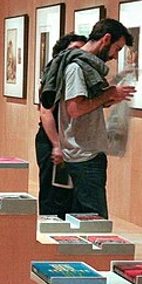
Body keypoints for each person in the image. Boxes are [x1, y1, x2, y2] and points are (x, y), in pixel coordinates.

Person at [39, 19, 136, 218]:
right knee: (94, 221)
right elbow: (75, 108)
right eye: (116, 49)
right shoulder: (77, 68)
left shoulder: (86, 67)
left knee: (84, 220)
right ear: (106, 39)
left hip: (85, 152)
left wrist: (110, 96)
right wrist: (108, 95)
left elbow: (87, 103)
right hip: (84, 155)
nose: (115, 56)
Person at [34, 33, 87, 216]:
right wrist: (57, 145)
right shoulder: (54, 76)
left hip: (72, 143)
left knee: (72, 196)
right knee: (53, 194)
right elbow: (45, 112)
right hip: (52, 141)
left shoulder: (80, 77)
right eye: (74, 50)